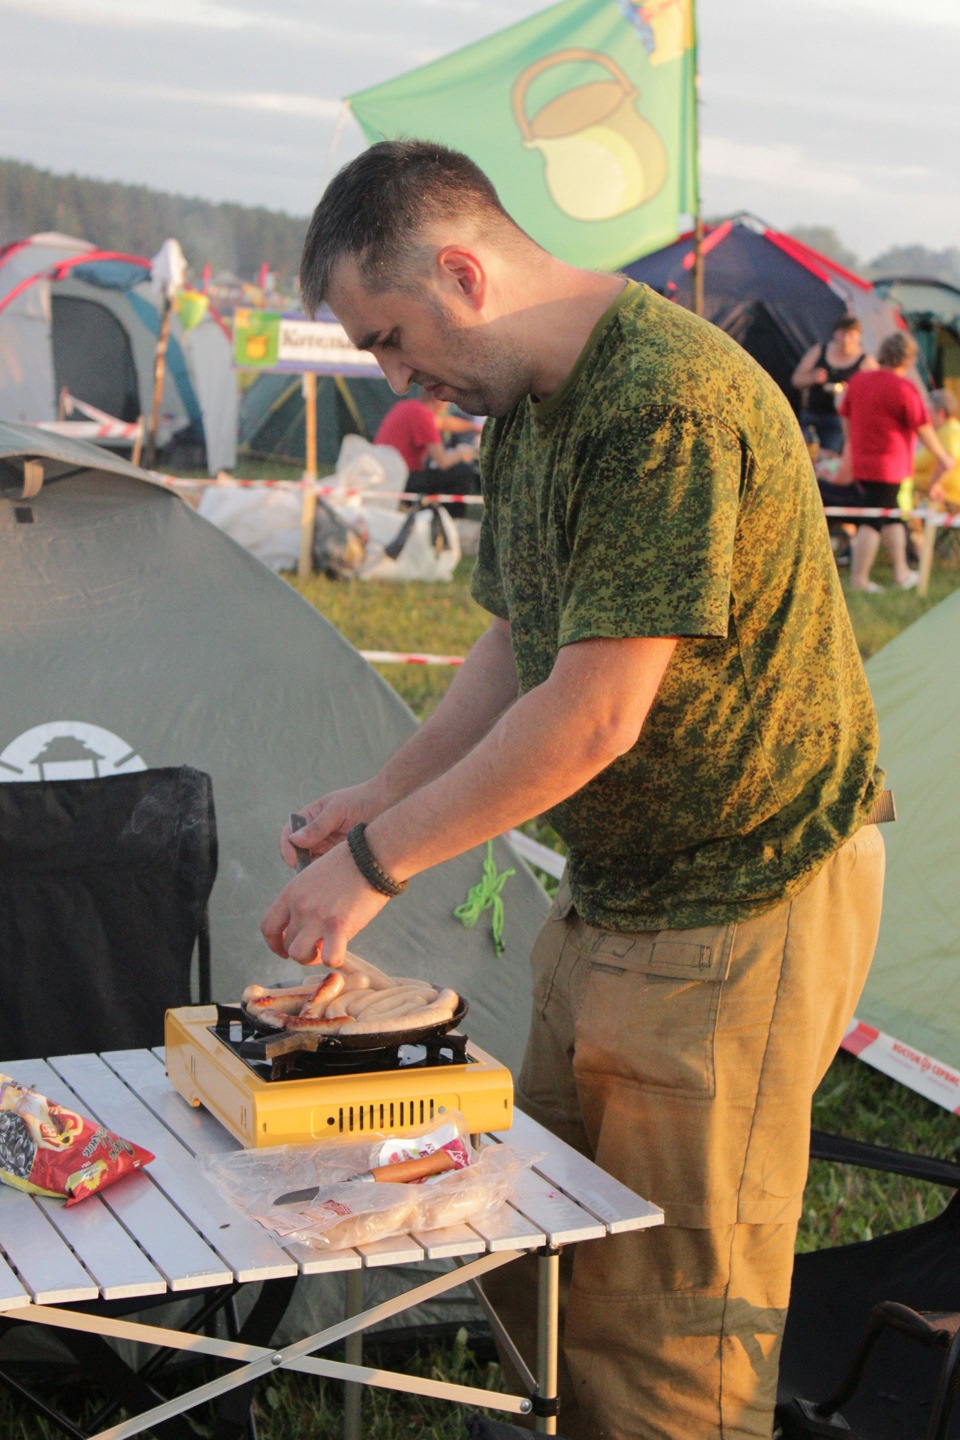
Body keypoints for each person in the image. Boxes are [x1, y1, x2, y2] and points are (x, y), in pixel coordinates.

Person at [261, 140, 887, 1440]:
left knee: (668, 1332)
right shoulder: (531, 410)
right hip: (619, 892)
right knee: (534, 1236)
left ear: (462, 272)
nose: (397, 382)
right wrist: (380, 793)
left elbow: (594, 714)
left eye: (391, 340)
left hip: (744, 891)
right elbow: (517, 644)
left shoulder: (663, 403)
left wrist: (374, 866)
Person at [837, 334, 956, 592]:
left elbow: (845, 414)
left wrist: (852, 443)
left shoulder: (858, 381)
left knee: (891, 516)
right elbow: (923, 428)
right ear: (908, 359)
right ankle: (859, 580)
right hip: (889, 464)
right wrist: (943, 457)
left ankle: (901, 573)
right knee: (873, 519)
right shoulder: (903, 387)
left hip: (863, 461)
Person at [375, 391, 481, 514]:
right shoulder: (423, 415)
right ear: (438, 399)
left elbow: (444, 423)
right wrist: (462, 452)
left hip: (386, 476)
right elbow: (443, 462)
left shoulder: (407, 407)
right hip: (403, 480)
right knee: (462, 472)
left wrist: (476, 428)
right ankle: (449, 517)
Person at [792, 312, 876, 453]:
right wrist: (812, 377)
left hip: (838, 422)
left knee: (827, 458)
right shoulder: (820, 351)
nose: (846, 341)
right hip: (811, 415)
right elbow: (796, 380)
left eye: (851, 335)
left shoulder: (866, 363)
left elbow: (875, 395)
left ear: (859, 337)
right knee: (801, 454)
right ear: (835, 334)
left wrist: (852, 392)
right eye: (842, 334)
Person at [913, 389, 960, 507]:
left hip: (947, 501)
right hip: (937, 501)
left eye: (927, 411)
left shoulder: (951, 431)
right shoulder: (938, 433)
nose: (923, 415)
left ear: (941, 412)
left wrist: (933, 486)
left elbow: (947, 462)